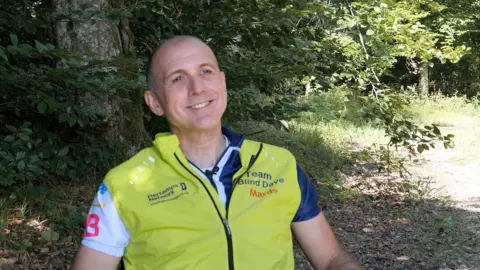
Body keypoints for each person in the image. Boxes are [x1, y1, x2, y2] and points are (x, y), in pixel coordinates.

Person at [72, 35, 361, 270]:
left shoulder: (279, 166)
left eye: (205, 72)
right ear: (155, 102)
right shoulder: (125, 184)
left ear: (222, 82)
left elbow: (331, 259)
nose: (197, 88)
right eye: (177, 79)